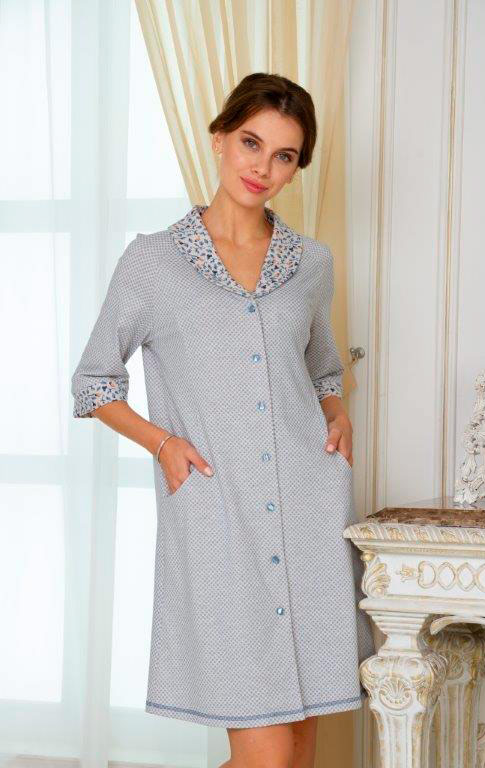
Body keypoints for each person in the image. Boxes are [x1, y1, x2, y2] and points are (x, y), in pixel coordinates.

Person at [71, 72, 375, 768]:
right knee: (267, 757)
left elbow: (323, 369)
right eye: (250, 143)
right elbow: (93, 383)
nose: (262, 167)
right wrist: (163, 444)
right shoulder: (153, 262)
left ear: (297, 168)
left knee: (295, 758)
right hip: (220, 520)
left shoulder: (311, 264)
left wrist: (336, 413)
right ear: (219, 138)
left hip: (308, 514)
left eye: (284, 155)